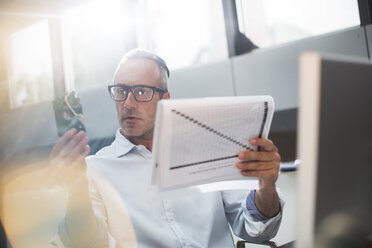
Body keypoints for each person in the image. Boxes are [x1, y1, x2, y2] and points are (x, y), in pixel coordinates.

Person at [50, 49, 284, 248]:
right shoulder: (92, 170)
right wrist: (76, 190)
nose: (128, 104)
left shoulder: (206, 149)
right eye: (121, 91)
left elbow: (257, 229)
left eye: (142, 92)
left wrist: (266, 187)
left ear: (166, 99)